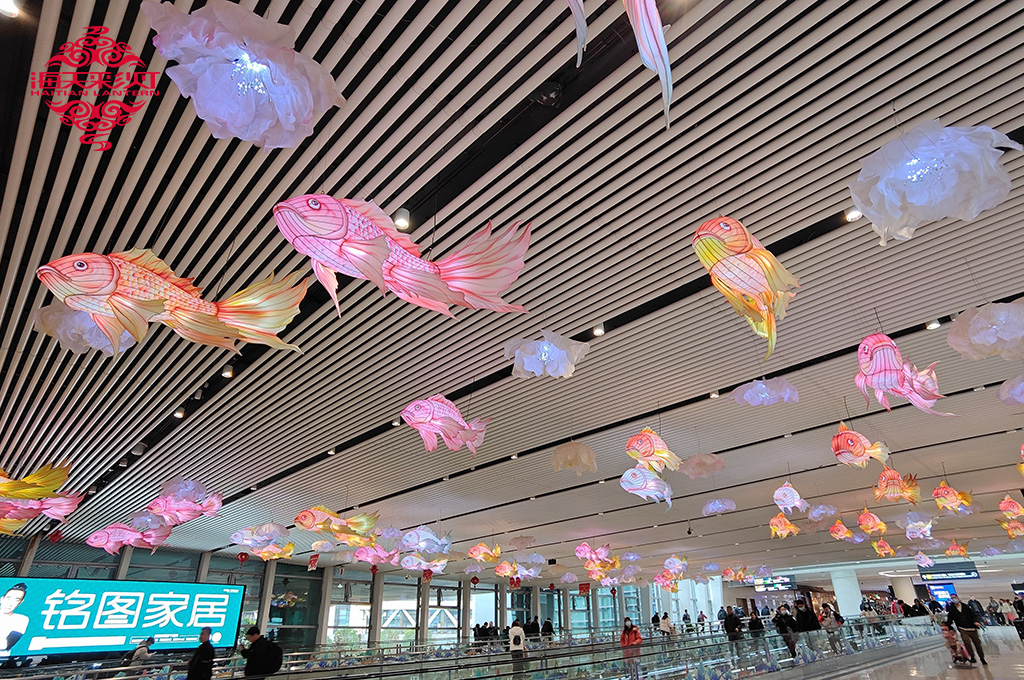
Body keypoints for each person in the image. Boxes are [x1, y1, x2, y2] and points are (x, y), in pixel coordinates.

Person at [947, 598, 987, 665]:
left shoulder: (965, 606)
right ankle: (972, 657)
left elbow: (973, 615)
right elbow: (950, 619)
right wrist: (948, 627)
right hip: (962, 628)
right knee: (966, 642)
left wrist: (976, 621)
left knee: (977, 643)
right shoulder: (952, 609)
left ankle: (982, 658)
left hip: (972, 628)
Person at [0, 584, 28, 653]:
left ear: (20, 602)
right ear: (2, 599)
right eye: (8, 598)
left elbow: (5, 645)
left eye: (16, 600)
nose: (10, 603)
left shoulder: (21, 619)